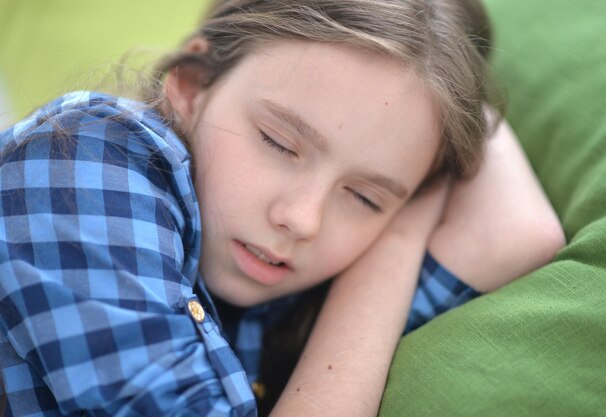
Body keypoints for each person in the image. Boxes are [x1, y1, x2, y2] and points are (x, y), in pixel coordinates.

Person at [0, 0, 565, 416]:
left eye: (365, 197)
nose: (303, 219)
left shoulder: (302, 294)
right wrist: (395, 225)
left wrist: (397, 227)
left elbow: (516, 233)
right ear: (193, 83)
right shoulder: (84, 152)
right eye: (278, 142)